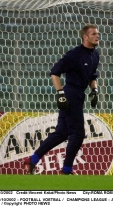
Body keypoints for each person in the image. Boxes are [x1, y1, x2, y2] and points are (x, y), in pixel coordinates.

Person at [24, 24, 100, 175]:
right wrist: (60, 94)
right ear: (85, 37)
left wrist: (95, 90)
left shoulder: (95, 55)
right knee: (77, 134)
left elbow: (92, 76)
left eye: (98, 34)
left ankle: (32, 161)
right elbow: (55, 72)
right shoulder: (74, 54)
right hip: (70, 93)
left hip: (79, 94)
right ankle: (67, 170)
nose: (97, 36)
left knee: (62, 132)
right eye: (93, 34)